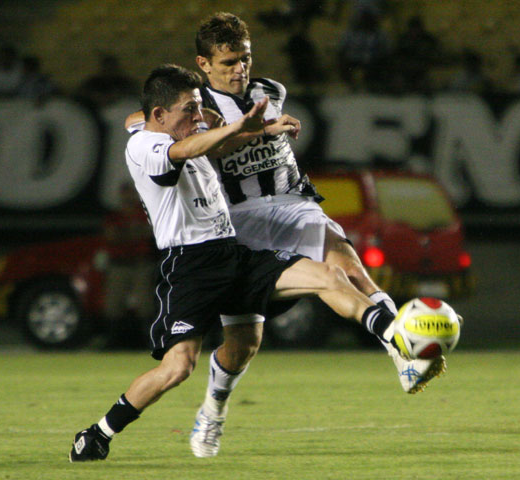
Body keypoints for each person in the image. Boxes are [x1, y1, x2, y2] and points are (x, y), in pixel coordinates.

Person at [125, 12, 447, 458]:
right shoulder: (194, 105)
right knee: (242, 346)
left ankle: (405, 355)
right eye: (230, 61)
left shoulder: (270, 91)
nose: (241, 68)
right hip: (240, 223)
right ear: (204, 64)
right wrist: (245, 129)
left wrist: (270, 126)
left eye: (246, 58)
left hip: (292, 204)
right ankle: (213, 410)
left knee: (352, 271)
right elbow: (137, 123)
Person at [69, 63, 404, 462]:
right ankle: (99, 432)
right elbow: (184, 149)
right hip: (191, 267)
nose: (196, 118)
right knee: (178, 368)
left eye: (198, 108)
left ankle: (399, 338)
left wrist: (260, 131)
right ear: (158, 116)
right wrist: (232, 126)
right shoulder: (144, 146)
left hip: (234, 253)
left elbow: (213, 144)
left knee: (328, 275)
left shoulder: (186, 131)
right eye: (187, 111)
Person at [99, 182, 155, 347]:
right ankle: (112, 341)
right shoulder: (114, 216)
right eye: (125, 194)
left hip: (140, 263)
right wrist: (134, 232)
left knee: (145, 304)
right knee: (113, 304)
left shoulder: (144, 214)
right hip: (119, 264)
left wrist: (127, 233)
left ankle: (148, 341)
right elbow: (111, 236)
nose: (128, 197)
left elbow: (149, 233)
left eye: (130, 193)